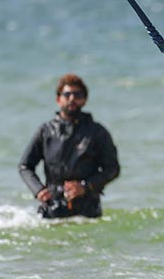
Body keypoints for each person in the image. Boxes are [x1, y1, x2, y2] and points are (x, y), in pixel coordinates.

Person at [19, 74, 120, 218]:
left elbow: (113, 169)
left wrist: (85, 186)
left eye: (77, 95)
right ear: (58, 99)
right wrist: (39, 190)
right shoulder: (46, 131)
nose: (72, 98)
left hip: (88, 210)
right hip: (52, 207)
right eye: (67, 94)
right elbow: (24, 166)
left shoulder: (97, 132)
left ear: (84, 100)